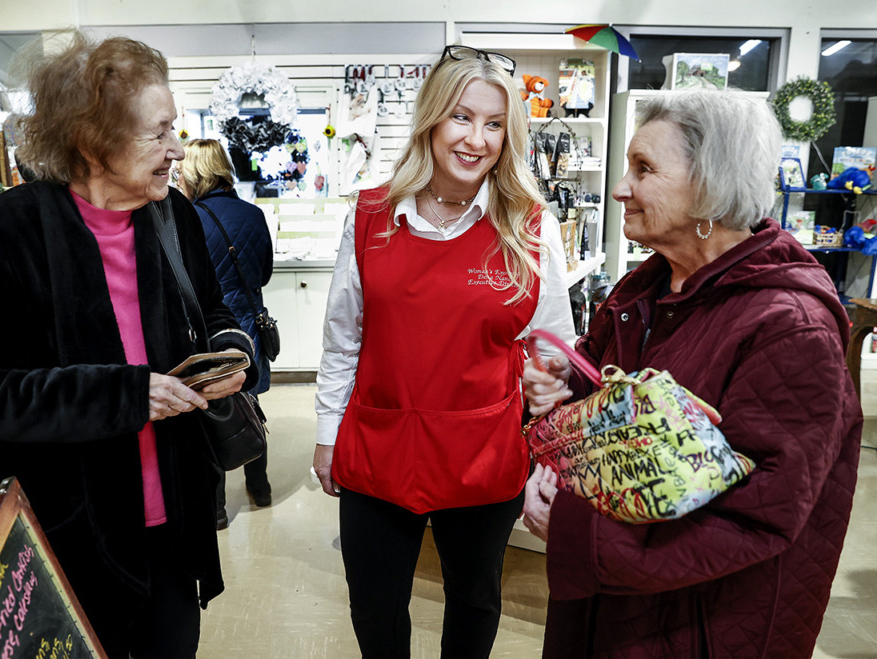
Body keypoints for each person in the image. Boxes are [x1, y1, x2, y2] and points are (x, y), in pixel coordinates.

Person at [0, 32, 258, 658]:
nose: (175, 150)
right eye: (158, 133)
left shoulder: (174, 217)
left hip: (173, 529)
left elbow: (211, 309)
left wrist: (228, 352)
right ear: (91, 140)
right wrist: (120, 395)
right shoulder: (2, 236)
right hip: (63, 540)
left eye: (175, 129)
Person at [522, 89, 862, 658]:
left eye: (645, 169)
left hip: (702, 627)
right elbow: (607, 415)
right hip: (613, 610)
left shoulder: (789, 328)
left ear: (710, 185)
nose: (619, 188)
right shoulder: (644, 290)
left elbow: (758, 516)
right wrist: (560, 407)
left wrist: (576, 530)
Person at [313, 45, 576, 658]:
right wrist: (328, 434)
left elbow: (551, 352)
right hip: (379, 447)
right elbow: (343, 338)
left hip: (484, 454)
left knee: (475, 598)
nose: (476, 140)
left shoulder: (529, 226)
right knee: (375, 608)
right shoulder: (371, 215)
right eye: (462, 117)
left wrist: (550, 453)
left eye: (494, 126)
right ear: (431, 119)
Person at [177, 138, 274, 519]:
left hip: (205, 330)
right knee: (251, 404)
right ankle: (260, 488)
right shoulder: (253, 214)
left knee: (209, 408)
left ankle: (216, 508)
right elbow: (263, 272)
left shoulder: (188, 218)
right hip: (247, 327)